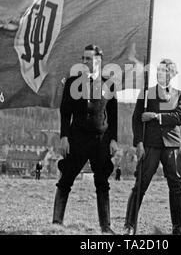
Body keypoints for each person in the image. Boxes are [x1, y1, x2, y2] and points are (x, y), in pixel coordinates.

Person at [52, 44, 118, 234]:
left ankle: (106, 227)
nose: (84, 62)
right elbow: (65, 112)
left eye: (88, 59)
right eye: (83, 59)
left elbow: (113, 115)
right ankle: (56, 222)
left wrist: (113, 139)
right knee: (66, 179)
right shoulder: (73, 82)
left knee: (102, 182)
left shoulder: (109, 84)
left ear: (98, 60)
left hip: (101, 141)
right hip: (77, 138)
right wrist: (64, 136)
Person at [123, 59, 181, 235]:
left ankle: (178, 227)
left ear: (172, 74)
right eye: (159, 70)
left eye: (165, 70)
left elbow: (178, 118)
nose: (160, 73)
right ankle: (129, 226)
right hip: (150, 144)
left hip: (173, 145)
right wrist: (138, 142)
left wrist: (154, 116)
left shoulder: (180, 95)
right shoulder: (146, 93)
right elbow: (136, 118)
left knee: (175, 185)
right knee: (140, 184)